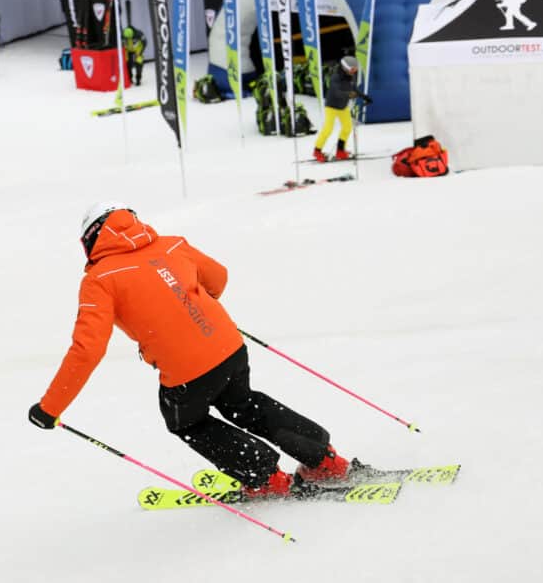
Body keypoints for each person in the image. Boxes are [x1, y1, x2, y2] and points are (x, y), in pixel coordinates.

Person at [28, 203, 354, 499]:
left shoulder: (99, 279)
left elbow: (87, 349)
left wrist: (51, 407)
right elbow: (218, 278)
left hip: (187, 373)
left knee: (186, 421)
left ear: (91, 239)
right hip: (230, 348)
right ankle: (324, 459)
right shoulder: (171, 244)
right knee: (243, 403)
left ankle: (265, 477)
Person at [313, 56, 359, 162]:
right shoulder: (335, 77)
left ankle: (340, 151)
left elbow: (354, 89)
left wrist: (364, 97)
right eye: (352, 70)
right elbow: (337, 92)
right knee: (328, 129)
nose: (354, 72)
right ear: (345, 68)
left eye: (355, 70)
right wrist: (349, 94)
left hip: (343, 106)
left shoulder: (350, 77)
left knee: (347, 128)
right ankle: (317, 151)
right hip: (331, 106)